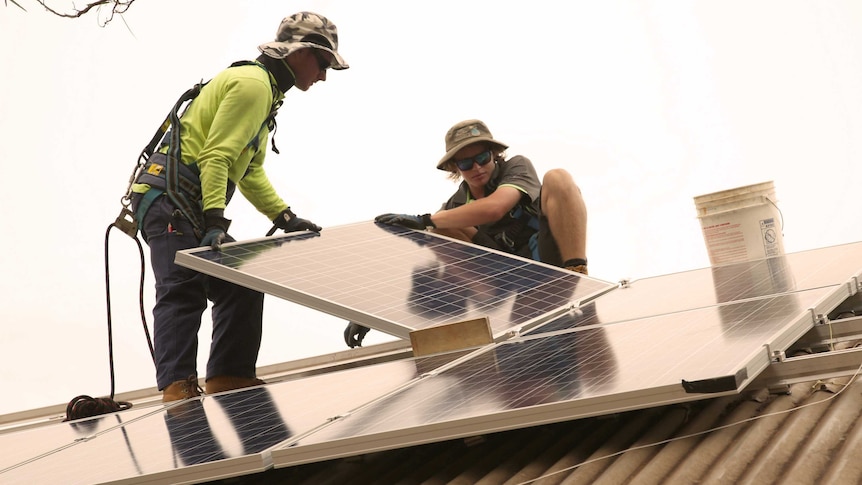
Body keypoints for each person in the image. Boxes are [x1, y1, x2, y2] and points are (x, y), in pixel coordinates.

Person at [130, 11, 349, 402]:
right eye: (322, 63)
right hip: (171, 200)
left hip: (190, 203)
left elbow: (247, 171)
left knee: (242, 283)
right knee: (183, 288)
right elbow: (215, 158)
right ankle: (178, 391)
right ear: (299, 52)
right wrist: (215, 219)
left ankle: (228, 378)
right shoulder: (252, 86)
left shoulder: (266, 91)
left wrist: (284, 217)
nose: (323, 75)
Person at [344, 119, 588, 348]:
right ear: (454, 167)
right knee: (437, 231)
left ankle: (576, 272)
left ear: (494, 154)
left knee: (558, 177)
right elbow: (422, 262)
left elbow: (495, 208)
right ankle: (492, 309)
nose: (477, 167)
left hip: (546, 260)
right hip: (502, 283)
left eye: (482, 157)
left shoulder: (516, 167)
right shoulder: (455, 206)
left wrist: (425, 220)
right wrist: (374, 312)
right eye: (465, 163)